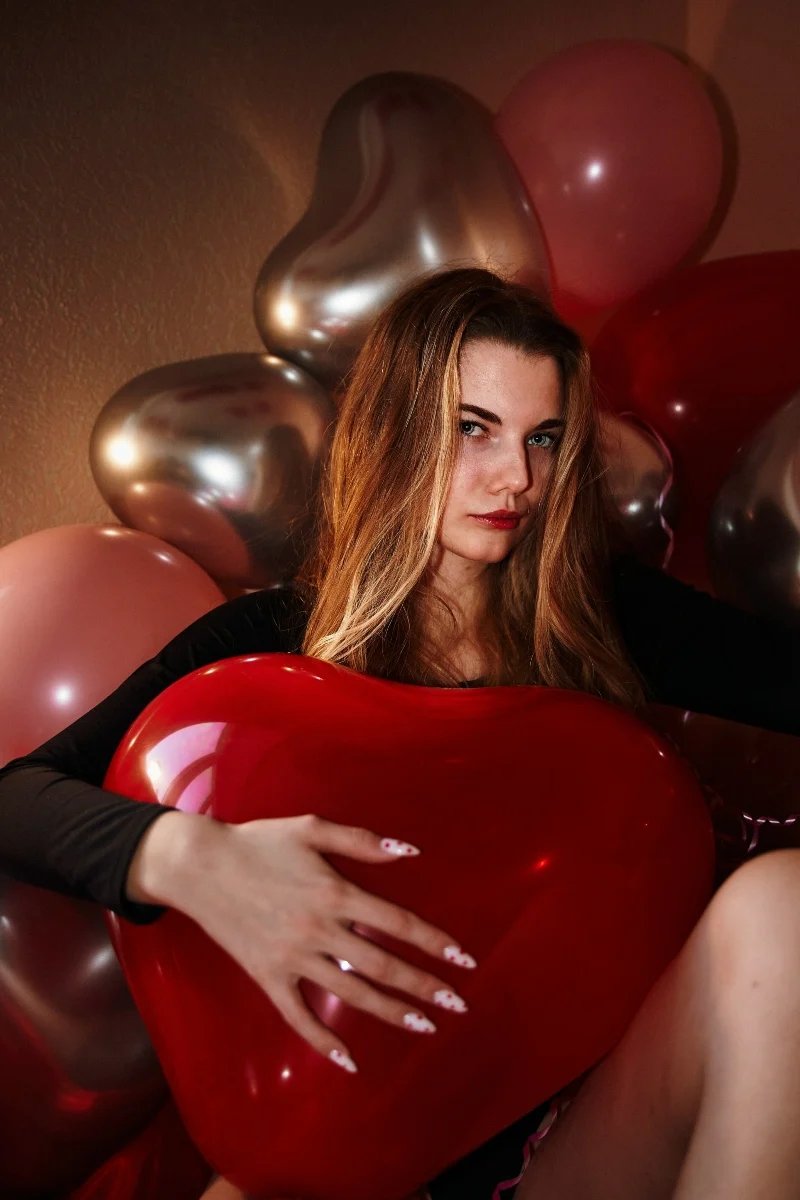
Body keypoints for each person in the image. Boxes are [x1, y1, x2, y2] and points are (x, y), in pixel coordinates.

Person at [0, 267, 798, 1200]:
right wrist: (188, 857)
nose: (517, 478)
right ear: (395, 429)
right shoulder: (267, 646)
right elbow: (15, 798)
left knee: (780, 909)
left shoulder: (604, 616)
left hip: (570, 1142)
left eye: (543, 438)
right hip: (336, 1144)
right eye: (473, 429)